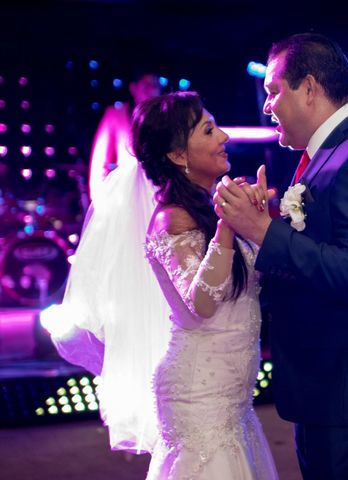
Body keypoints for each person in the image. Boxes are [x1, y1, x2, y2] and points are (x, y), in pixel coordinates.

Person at [215, 33, 348, 479]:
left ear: (309, 88)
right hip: (334, 380)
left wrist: (265, 232)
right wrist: (266, 227)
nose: (267, 105)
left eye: (274, 91)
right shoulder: (338, 149)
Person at [52, 92, 278, 479]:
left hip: (229, 394)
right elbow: (203, 303)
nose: (223, 136)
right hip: (198, 394)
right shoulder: (171, 219)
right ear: (177, 155)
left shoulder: (205, 210)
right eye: (209, 130)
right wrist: (227, 226)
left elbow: (249, 281)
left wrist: (255, 223)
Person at [88, 70, 161, 200]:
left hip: (155, 195)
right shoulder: (115, 115)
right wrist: (99, 201)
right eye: (146, 86)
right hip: (122, 196)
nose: (151, 91)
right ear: (134, 88)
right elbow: (99, 161)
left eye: (155, 86)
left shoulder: (165, 118)